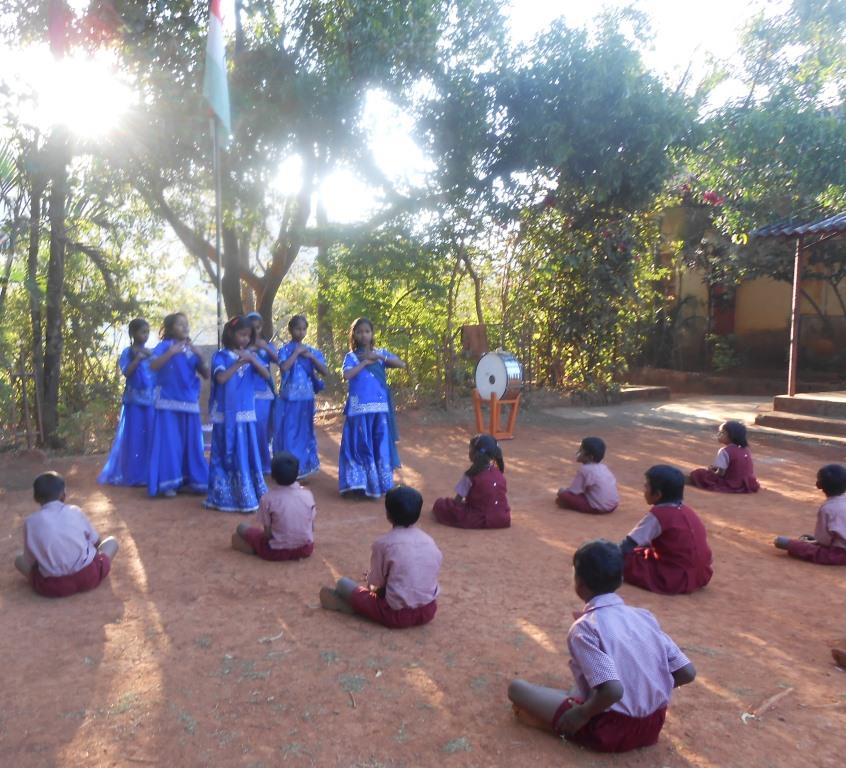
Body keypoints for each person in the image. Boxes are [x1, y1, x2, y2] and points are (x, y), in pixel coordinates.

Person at [508, 539, 696, 753]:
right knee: (583, 686)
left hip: (611, 728)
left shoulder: (585, 628)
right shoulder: (644, 617)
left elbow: (613, 691)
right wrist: (645, 689)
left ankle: (563, 722)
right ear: (621, 579)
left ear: (579, 584)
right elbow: (687, 672)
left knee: (517, 689)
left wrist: (582, 714)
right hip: (653, 724)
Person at [319, 485, 442, 629]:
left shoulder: (383, 544)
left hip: (395, 615)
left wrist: (371, 581)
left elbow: (374, 586)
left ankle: (355, 607)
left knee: (343, 584)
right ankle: (360, 608)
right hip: (428, 611)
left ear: (388, 514)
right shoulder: (429, 541)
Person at [15, 471, 119, 598]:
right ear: (63, 495)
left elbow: (30, 560)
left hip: (53, 587)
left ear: (35, 498)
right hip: (89, 576)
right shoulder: (75, 511)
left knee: (18, 560)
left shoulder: (30, 522)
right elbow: (97, 542)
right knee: (112, 542)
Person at [205, 315, 271, 513]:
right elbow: (222, 378)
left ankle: (249, 494)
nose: (244, 339)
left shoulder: (252, 356)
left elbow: (267, 375)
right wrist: (240, 363)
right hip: (226, 416)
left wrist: (252, 360)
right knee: (225, 453)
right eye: (241, 334)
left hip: (247, 413)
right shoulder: (221, 356)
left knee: (246, 453)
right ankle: (222, 496)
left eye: (247, 336)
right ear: (231, 334)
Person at [338, 317, 406, 497]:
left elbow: (401, 364)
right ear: (354, 335)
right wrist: (364, 364)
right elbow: (347, 375)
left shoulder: (379, 354)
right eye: (359, 332)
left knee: (379, 444)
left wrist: (379, 357)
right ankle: (358, 483)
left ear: (372, 334)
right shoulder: (351, 357)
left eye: (367, 331)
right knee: (360, 445)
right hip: (359, 409)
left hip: (380, 409)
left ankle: (381, 483)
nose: (363, 335)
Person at [620, 465, 713, 595]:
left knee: (625, 560)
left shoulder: (658, 514)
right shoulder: (687, 510)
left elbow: (628, 544)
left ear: (657, 494)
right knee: (642, 551)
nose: (644, 490)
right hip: (701, 574)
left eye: (646, 486)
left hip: (674, 578)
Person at [98, 318, 156, 486]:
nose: (145, 335)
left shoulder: (151, 353)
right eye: (142, 332)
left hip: (150, 401)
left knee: (150, 437)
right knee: (133, 437)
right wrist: (137, 359)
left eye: (147, 332)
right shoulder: (127, 352)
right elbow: (127, 372)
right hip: (133, 402)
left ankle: (147, 473)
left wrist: (150, 356)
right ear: (132, 333)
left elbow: (158, 371)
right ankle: (131, 473)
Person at [231, 451, 316, 560]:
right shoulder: (308, 495)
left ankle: (255, 548)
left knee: (241, 527)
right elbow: (311, 527)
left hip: (275, 552)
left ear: (272, 476)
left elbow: (267, 535)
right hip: (305, 549)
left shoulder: (267, 498)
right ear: (297, 473)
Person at [273, 314, 328, 480]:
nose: (301, 332)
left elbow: (325, 372)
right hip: (289, 399)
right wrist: (296, 353)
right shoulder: (284, 350)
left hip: (306, 399)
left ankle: (303, 467)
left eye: (304, 329)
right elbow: (283, 368)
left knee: (305, 432)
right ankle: (287, 469)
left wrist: (310, 357)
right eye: (297, 328)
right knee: (289, 432)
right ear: (290, 330)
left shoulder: (312, 351)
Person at [432, 433, 510, 528]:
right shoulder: (499, 474)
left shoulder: (471, 474)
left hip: (480, 519)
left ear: (475, 454)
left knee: (441, 505)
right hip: (503, 518)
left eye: (470, 448)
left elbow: (457, 501)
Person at [774, 464, 846, 565]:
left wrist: (812, 544)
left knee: (799, 547)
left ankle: (789, 544)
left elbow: (824, 540)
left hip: (840, 554)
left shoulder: (827, 508)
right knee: (810, 541)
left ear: (819, 485)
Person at [245, 311, 278, 475]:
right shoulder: (241, 346)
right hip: (245, 392)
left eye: (257, 327)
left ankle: (263, 463)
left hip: (264, 393)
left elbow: (279, 360)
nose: (254, 330)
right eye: (251, 327)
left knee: (261, 428)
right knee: (246, 428)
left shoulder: (266, 345)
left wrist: (264, 347)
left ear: (261, 327)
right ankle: (247, 463)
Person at [689, 420, 759, 493]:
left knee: (699, 473)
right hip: (747, 484)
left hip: (732, 483)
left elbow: (720, 473)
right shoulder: (745, 450)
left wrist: (711, 472)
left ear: (731, 435)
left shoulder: (724, 451)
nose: (718, 434)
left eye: (722, 432)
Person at [556, 436, 619, 514]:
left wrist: (563, 492)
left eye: (581, 451)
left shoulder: (584, 470)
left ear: (590, 457)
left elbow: (574, 491)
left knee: (562, 494)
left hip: (598, 508)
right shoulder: (603, 467)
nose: (577, 453)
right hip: (613, 506)